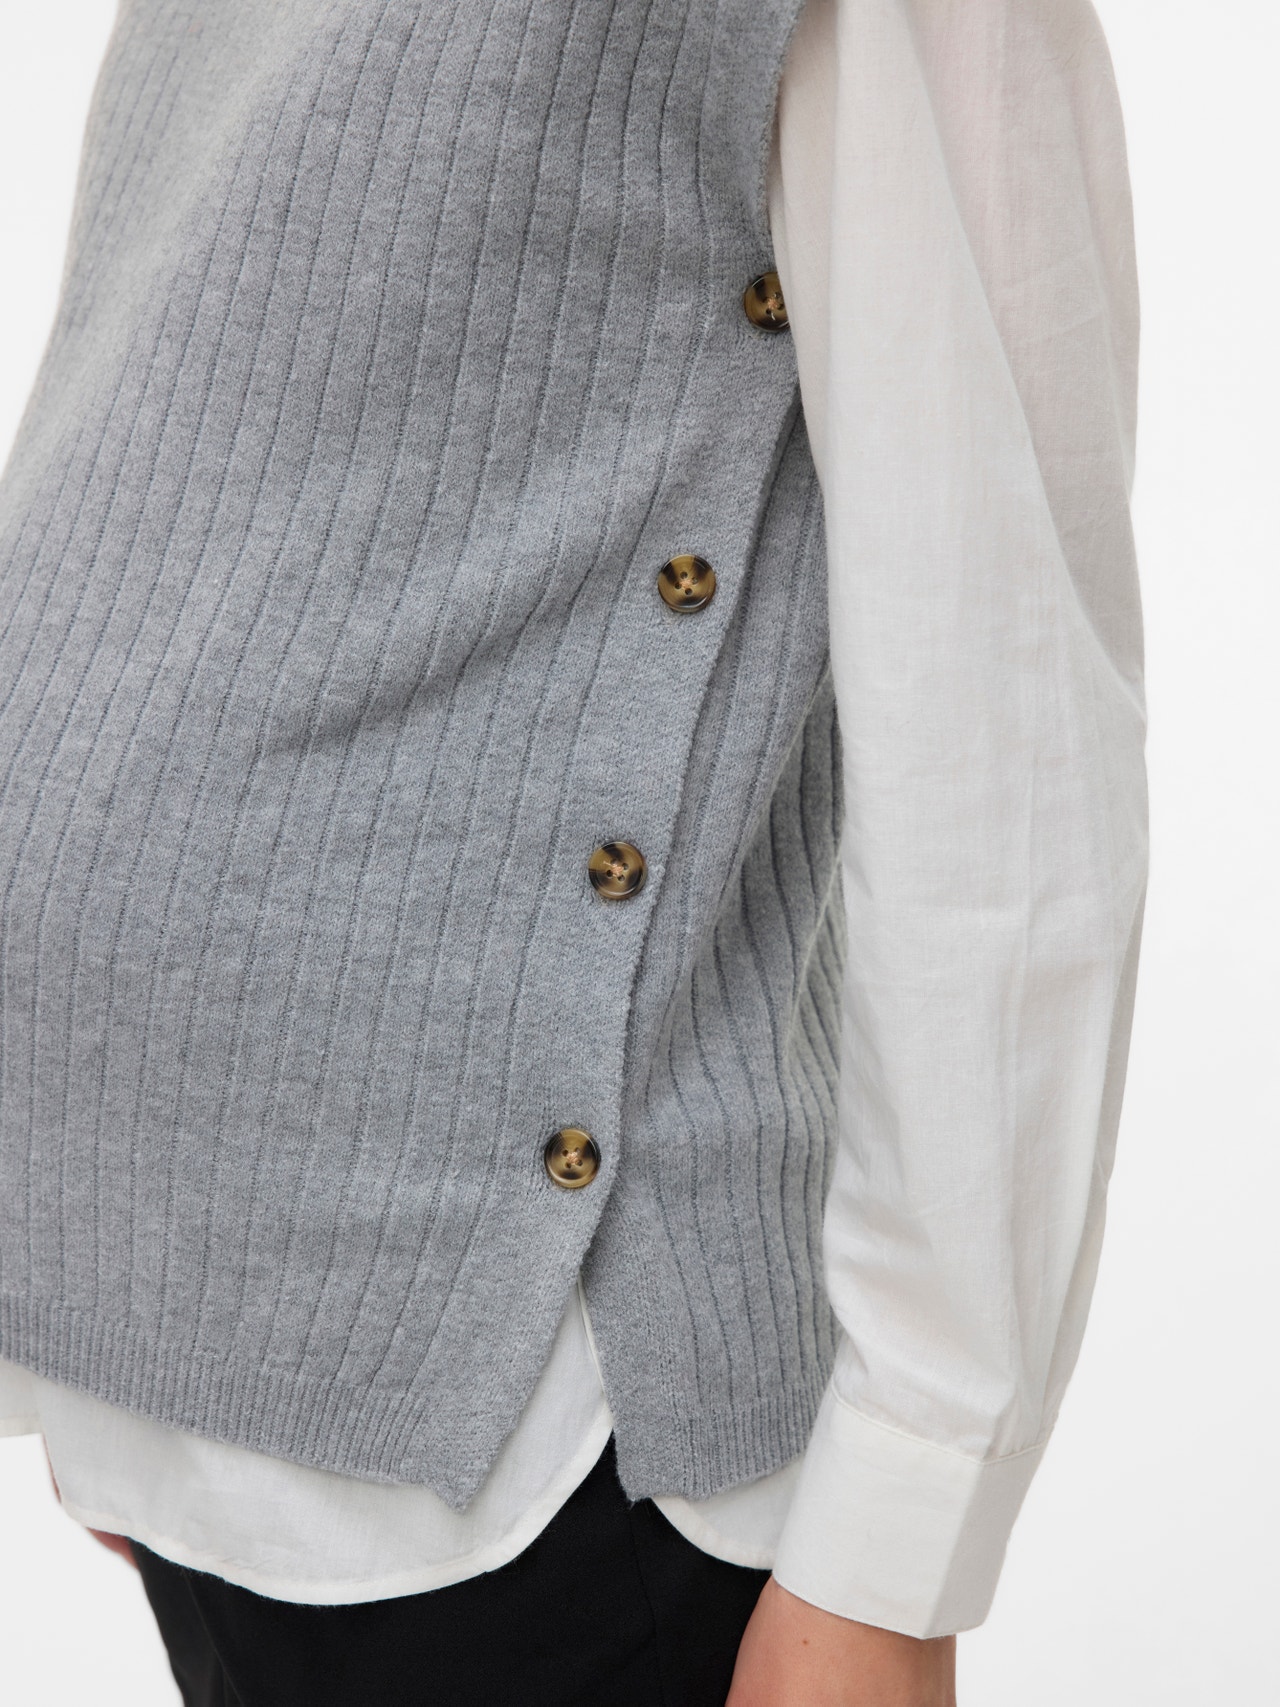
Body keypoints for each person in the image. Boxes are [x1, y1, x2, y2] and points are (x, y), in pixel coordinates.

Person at [0, 0, 1145, 1701]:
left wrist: (902, 1538)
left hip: (516, 1383)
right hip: (172, 1297)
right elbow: (172, 347)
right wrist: (105, 1268)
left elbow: (1001, 717)